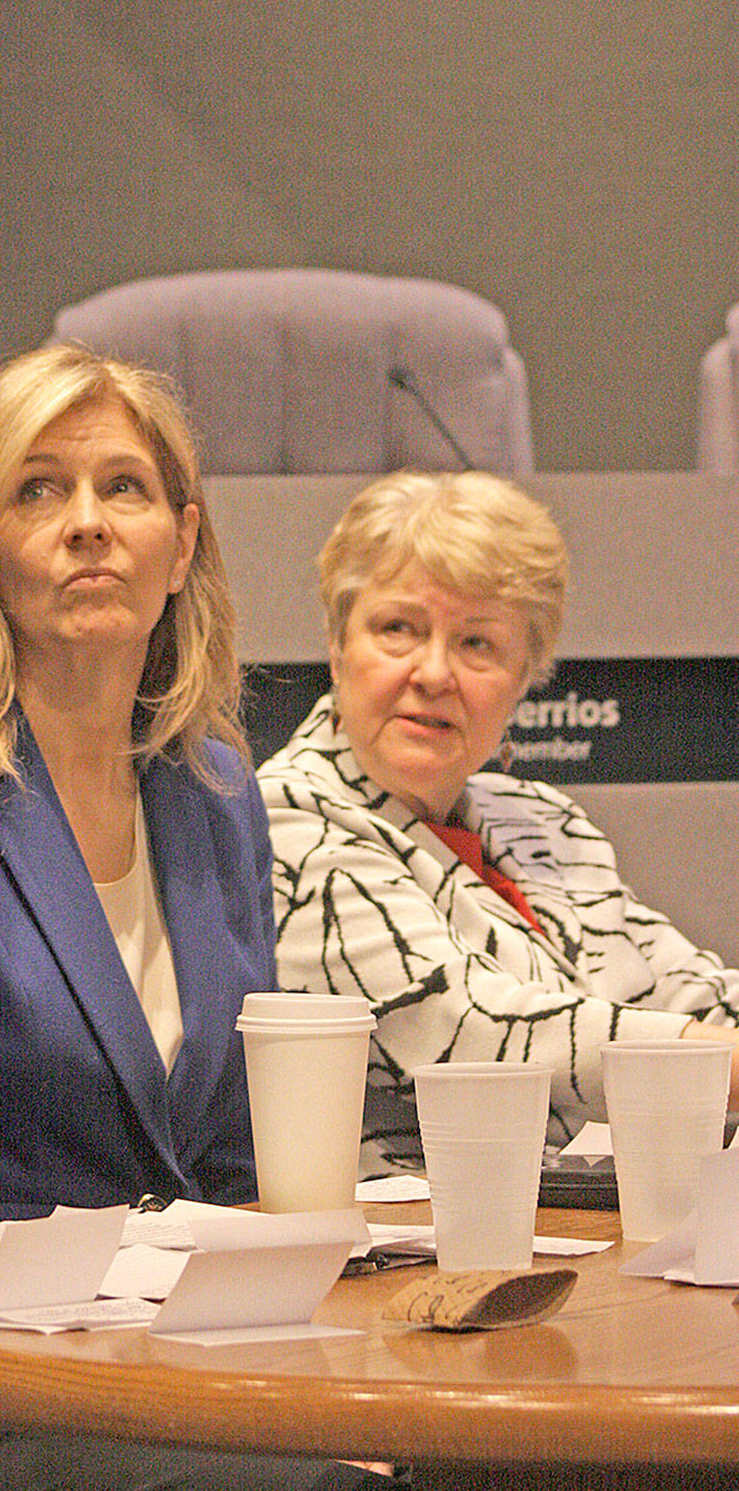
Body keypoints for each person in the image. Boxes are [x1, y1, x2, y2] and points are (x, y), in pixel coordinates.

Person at [0, 344, 410, 1491]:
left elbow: (238, 1169)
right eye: (37, 490)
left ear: (181, 545)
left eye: (122, 489)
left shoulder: (213, 790)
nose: (86, 524)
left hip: (167, 1370)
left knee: (454, 1481)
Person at [258, 469, 739, 1175]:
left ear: (524, 677)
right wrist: (722, 1066)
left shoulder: (546, 822)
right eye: (398, 629)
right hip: (405, 1251)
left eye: (477, 644)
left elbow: (681, 985)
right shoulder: (283, 822)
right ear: (338, 646)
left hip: (588, 1230)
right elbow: (470, 1031)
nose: (433, 672)